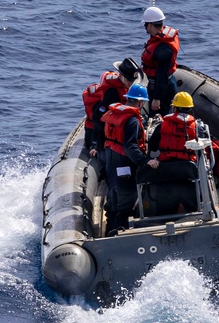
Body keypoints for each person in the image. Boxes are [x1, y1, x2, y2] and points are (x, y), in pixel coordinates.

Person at [140, 91, 199, 215]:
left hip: (165, 173)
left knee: (165, 212)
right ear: (190, 109)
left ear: (175, 108)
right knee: (194, 208)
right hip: (188, 173)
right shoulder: (196, 127)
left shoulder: (162, 125)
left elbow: (152, 147)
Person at [101, 83, 149, 234]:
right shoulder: (132, 121)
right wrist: (145, 161)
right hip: (124, 164)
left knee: (113, 198)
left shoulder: (114, 115)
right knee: (126, 201)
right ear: (140, 102)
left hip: (111, 161)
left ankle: (109, 230)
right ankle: (118, 234)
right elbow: (130, 147)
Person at [81, 57, 140, 156]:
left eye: (132, 81)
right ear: (121, 76)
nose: (130, 84)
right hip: (95, 133)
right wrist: (96, 146)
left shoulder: (122, 87)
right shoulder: (112, 93)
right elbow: (98, 118)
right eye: (129, 81)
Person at [139, 6, 180, 117]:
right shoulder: (160, 38)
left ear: (151, 25)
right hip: (160, 84)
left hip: (161, 88)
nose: (145, 27)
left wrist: (157, 98)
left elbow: (162, 75)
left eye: (146, 24)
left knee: (159, 117)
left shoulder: (162, 49)